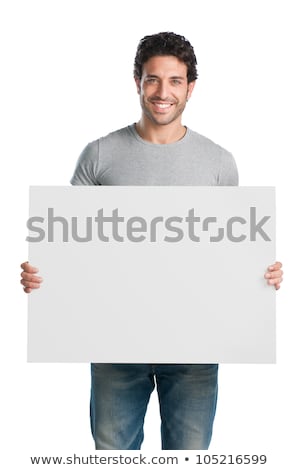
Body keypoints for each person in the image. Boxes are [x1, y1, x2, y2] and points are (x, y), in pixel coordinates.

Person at [20, 32, 283, 450]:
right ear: (138, 82)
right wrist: (43, 273)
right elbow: (68, 245)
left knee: (190, 458)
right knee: (113, 457)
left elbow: (232, 253)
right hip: (115, 342)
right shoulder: (100, 154)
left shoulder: (219, 163)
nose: (163, 92)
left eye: (175, 81)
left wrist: (260, 273)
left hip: (194, 345)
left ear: (190, 87)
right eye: (153, 79)